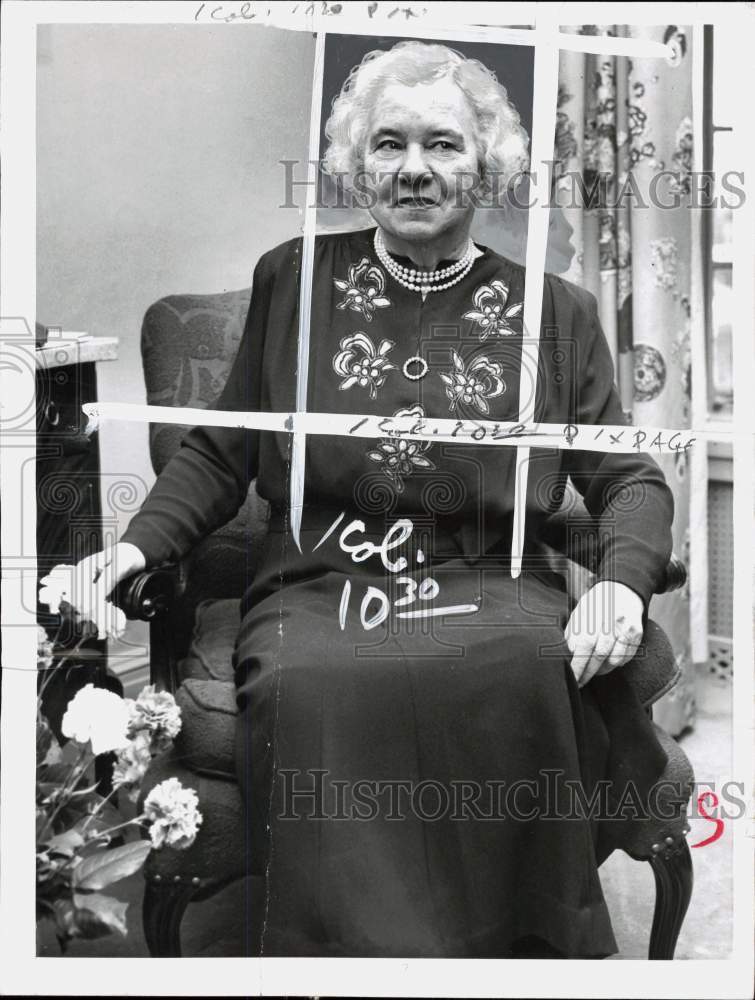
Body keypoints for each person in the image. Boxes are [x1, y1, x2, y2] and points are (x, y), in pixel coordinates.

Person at [77, 41, 674, 958]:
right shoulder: (293, 280)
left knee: (522, 671)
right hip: (324, 580)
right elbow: (220, 446)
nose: (414, 170)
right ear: (359, 165)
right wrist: (136, 545)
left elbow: (627, 473)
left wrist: (623, 582)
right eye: (388, 144)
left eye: (442, 144)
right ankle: (341, 958)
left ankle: (524, 958)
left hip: (494, 577)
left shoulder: (556, 312)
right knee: (313, 683)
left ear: (489, 165)